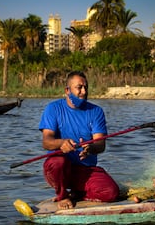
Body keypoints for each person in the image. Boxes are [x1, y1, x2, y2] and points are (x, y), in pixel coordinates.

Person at [39, 71, 120, 210]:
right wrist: (61, 143)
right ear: (67, 90)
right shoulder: (53, 108)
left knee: (111, 192)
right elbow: (46, 141)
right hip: (61, 169)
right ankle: (62, 195)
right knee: (57, 162)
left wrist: (91, 148)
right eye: (79, 87)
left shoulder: (96, 111)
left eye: (86, 87)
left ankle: (78, 193)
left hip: (84, 169)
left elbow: (100, 144)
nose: (84, 91)